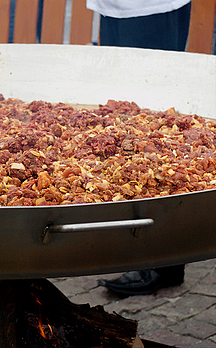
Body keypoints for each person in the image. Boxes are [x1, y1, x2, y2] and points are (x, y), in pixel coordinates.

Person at [86, 0, 191, 297]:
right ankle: (137, 249)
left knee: (152, 127)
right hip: (114, 7)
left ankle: (163, 263)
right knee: (123, 121)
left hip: (150, 7)